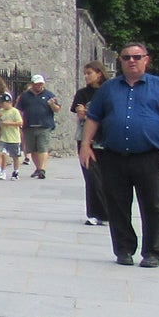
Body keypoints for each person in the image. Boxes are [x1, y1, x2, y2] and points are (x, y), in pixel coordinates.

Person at [81, 43, 159, 269]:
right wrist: (85, 145)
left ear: (146, 59)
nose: (132, 61)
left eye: (137, 57)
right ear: (120, 60)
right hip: (114, 156)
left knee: (152, 205)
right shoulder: (108, 88)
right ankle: (124, 249)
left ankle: (152, 252)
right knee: (117, 205)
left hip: (147, 156)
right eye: (127, 57)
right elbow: (93, 117)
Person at [71, 63, 109, 226]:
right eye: (85, 73)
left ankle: (109, 211)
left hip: (105, 138)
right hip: (85, 138)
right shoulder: (82, 93)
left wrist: (88, 113)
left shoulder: (109, 91)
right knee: (91, 176)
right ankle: (95, 212)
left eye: (90, 73)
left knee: (106, 176)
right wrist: (84, 114)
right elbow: (79, 113)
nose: (86, 76)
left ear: (99, 74)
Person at [16, 74, 59, 178]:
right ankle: (38, 168)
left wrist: (52, 105)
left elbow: (57, 109)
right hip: (29, 125)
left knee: (43, 148)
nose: (39, 86)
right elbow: (19, 109)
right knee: (33, 149)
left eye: (41, 84)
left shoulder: (49, 95)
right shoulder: (25, 96)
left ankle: (42, 169)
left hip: (44, 125)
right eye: (37, 84)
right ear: (32, 84)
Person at [0, 93, 23, 179]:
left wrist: (9, 123)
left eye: (4, 103)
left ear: (9, 102)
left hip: (13, 138)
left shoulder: (14, 111)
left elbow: (20, 123)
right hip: (4, 137)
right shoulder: (1, 111)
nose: (2, 105)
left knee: (15, 156)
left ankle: (16, 171)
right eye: (1, 103)